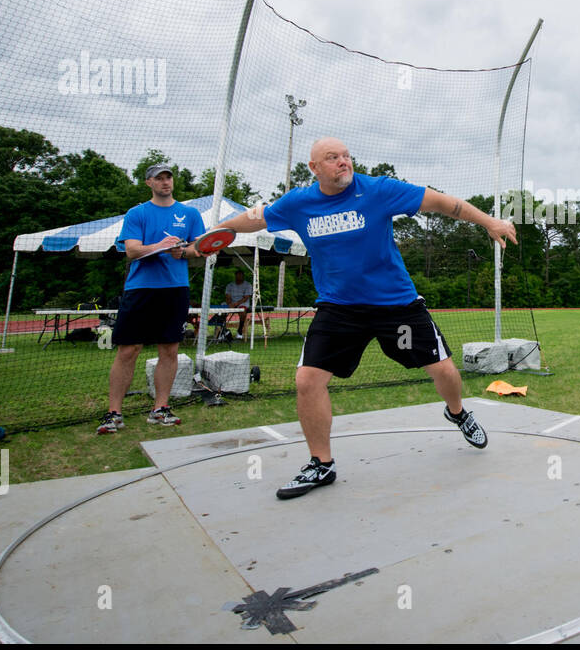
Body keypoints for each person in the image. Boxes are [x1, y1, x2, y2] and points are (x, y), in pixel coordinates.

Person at [211, 137, 517, 498]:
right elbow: (254, 218)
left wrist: (488, 222)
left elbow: (444, 203)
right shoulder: (299, 203)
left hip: (396, 306)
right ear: (314, 168)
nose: (343, 162)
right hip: (339, 310)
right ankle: (321, 464)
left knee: (444, 371)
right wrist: (215, 231)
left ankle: (457, 412)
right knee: (307, 380)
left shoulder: (379, 190)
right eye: (332, 158)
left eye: (345, 156)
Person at [98, 163, 202, 435]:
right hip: (141, 289)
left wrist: (185, 252)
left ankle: (160, 409)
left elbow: (199, 248)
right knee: (128, 351)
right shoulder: (137, 213)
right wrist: (162, 246)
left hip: (175, 289)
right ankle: (113, 413)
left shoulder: (189, 213)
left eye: (168, 177)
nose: (165, 182)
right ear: (149, 183)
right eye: (159, 178)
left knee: (169, 350)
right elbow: (131, 250)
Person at [224, 269, 254, 339]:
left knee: (243, 312)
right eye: (238, 275)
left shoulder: (248, 285)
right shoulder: (230, 285)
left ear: (243, 276)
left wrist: (236, 303)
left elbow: (246, 297)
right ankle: (223, 331)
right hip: (231, 303)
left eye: (241, 275)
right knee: (221, 309)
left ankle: (240, 330)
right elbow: (227, 296)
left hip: (242, 303)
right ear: (235, 276)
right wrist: (230, 303)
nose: (239, 277)